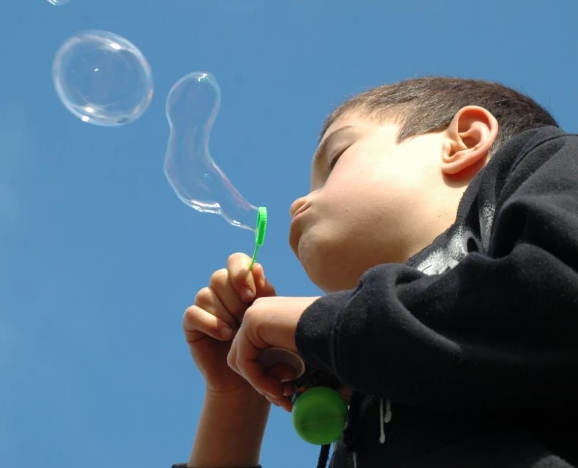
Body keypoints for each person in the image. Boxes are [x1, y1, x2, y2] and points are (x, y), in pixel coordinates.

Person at [173, 77, 578, 468]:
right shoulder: (371, 379)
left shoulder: (546, 163)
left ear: (465, 141)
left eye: (333, 161)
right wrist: (237, 398)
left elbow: (556, 294)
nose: (298, 202)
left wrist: (320, 324)